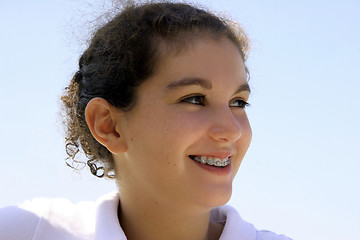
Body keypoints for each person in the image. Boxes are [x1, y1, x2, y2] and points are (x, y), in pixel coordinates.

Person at [0, 1, 292, 240]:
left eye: (238, 103)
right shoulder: (28, 231)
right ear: (108, 125)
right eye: (194, 99)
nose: (231, 130)